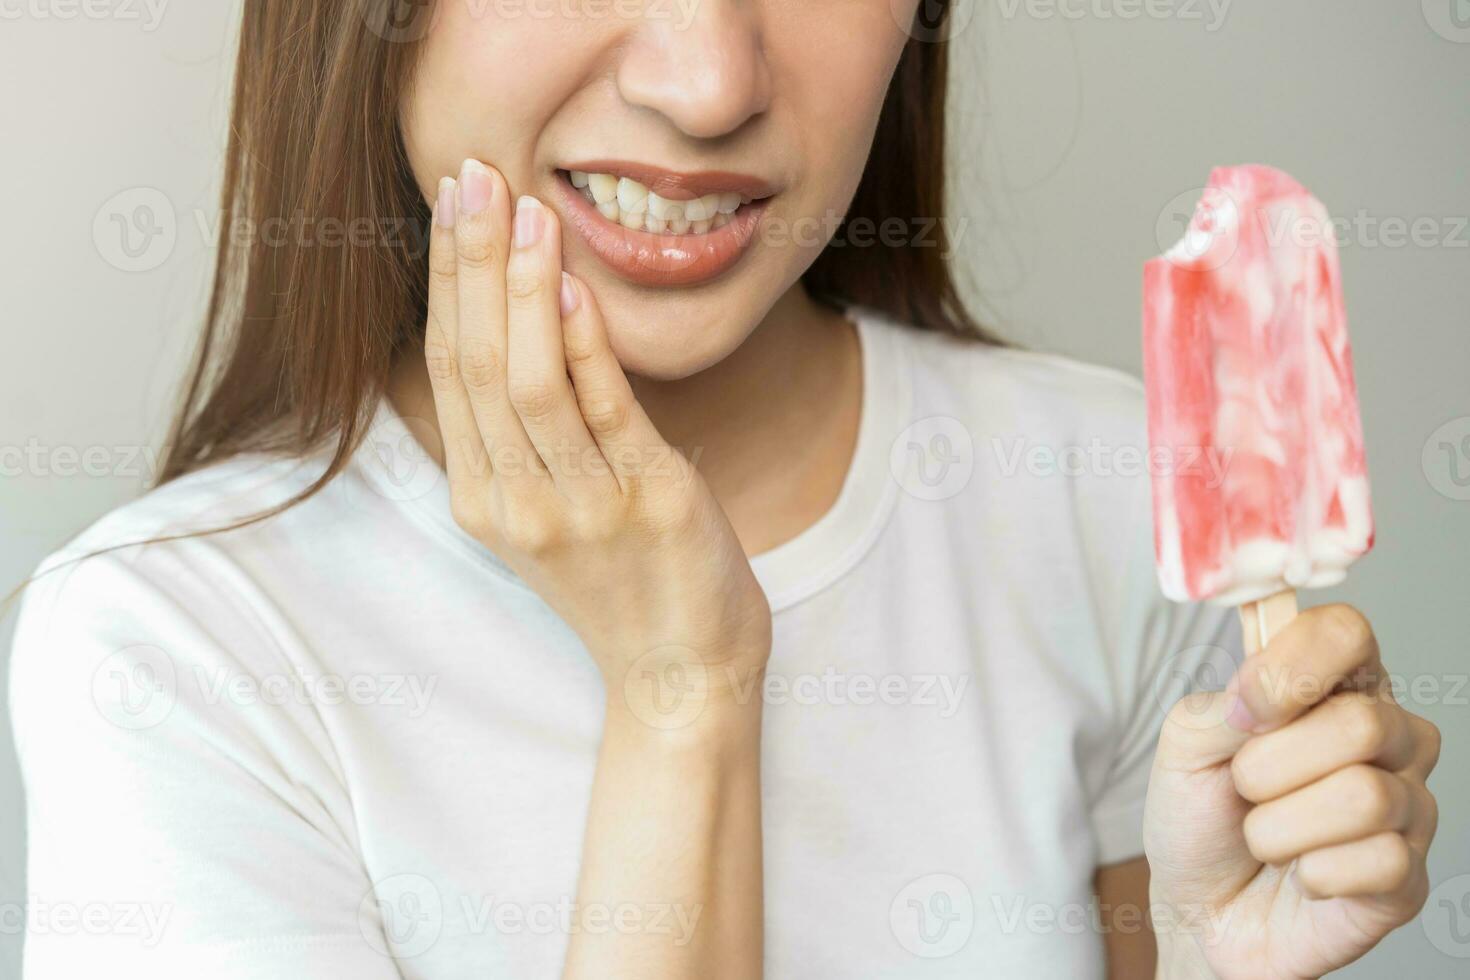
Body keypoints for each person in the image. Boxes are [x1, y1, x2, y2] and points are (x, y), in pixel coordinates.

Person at [9, 1, 1439, 977]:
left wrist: (1207, 961)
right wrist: (680, 690)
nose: (707, 83)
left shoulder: (1097, 493)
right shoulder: (167, 654)